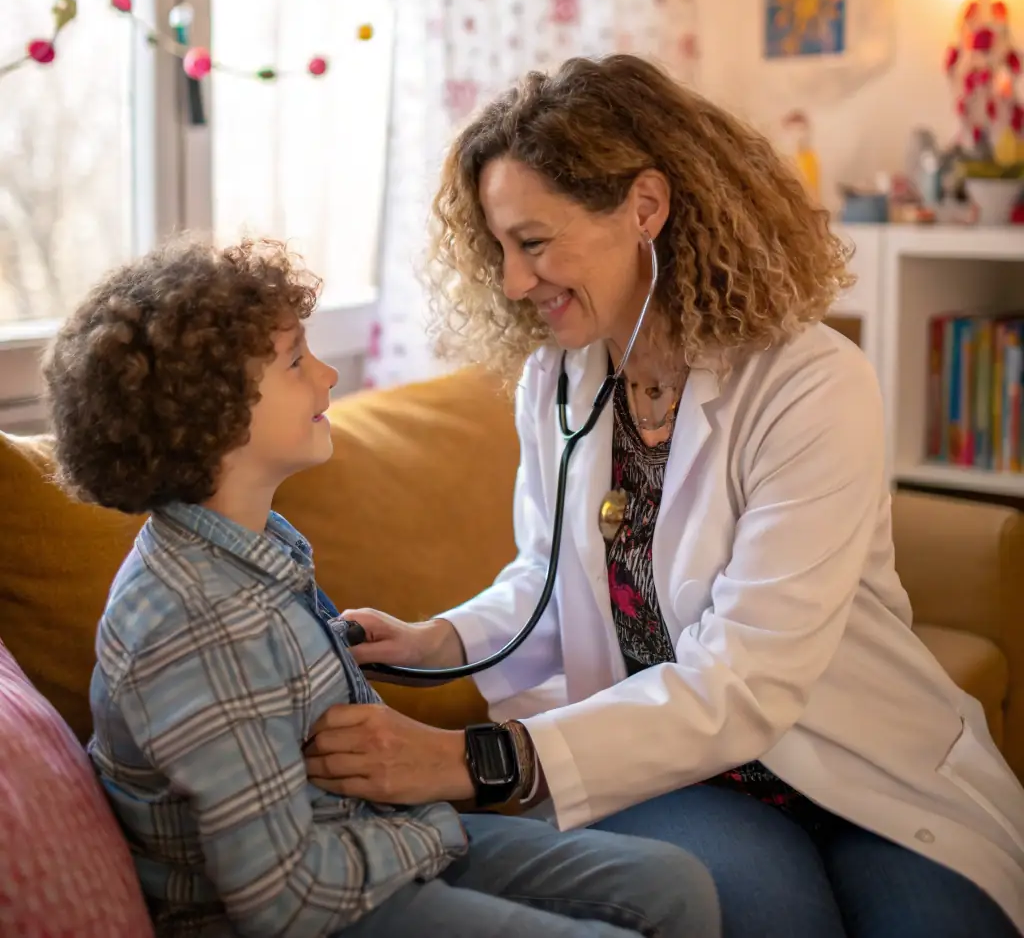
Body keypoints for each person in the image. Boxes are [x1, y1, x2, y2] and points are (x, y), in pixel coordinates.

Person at [305, 56, 1024, 938]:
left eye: (534, 242)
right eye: (499, 248)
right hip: (674, 770)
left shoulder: (810, 384)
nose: (513, 281)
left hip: (856, 759)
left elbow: (744, 678)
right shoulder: (558, 382)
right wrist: (436, 639)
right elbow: (549, 581)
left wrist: (477, 758)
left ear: (645, 207)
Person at [42, 235, 718, 938]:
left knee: (676, 885)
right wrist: (433, 832)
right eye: (297, 360)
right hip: (324, 908)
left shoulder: (251, 549)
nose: (329, 375)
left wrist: (403, 654)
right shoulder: (192, 626)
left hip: (367, 843)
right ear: (211, 410)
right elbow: (287, 903)